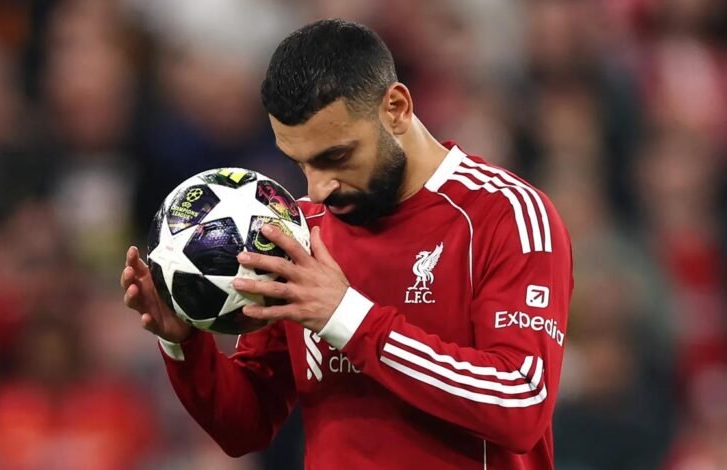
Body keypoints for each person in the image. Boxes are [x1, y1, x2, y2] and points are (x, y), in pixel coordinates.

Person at [121, 19, 573, 469]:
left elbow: (521, 404)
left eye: (336, 156)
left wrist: (347, 318)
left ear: (396, 107)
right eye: (300, 163)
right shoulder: (299, 232)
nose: (317, 190)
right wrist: (184, 344)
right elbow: (247, 427)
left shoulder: (505, 215)